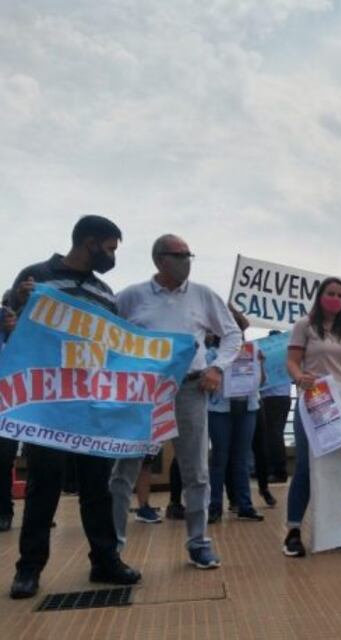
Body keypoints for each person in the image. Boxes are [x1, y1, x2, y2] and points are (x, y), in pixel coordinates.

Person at [7, 215, 141, 599]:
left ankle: (104, 561)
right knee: (43, 483)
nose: (113, 256)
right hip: (47, 403)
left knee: (96, 486)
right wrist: (17, 303)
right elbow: (9, 329)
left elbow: (114, 346)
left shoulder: (104, 293)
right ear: (89, 242)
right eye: (110, 248)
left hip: (90, 404)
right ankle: (29, 569)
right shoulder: (35, 277)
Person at [108, 233, 241, 571]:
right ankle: (112, 549)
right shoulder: (131, 297)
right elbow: (106, 332)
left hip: (190, 389)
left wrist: (216, 368)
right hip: (143, 392)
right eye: (179, 255)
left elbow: (233, 334)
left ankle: (198, 543)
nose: (187, 261)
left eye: (189, 255)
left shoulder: (203, 295)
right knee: (124, 470)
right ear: (159, 260)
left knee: (196, 469)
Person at [283, 277, 341, 557]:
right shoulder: (305, 325)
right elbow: (292, 360)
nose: (335, 299)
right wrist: (298, 376)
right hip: (316, 400)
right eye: (331, 293)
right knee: (305, 465)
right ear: (320, 295)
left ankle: (334, 528)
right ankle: (293, 531)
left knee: (337, 467)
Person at [205, 324, 265, 524]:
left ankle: (244, 506)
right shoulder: (212, 354)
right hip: (220, 409)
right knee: (219, 459)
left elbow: (262, 382)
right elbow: (207, 384)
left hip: (247, 407)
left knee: (242, 457)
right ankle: (214, 506)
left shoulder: (251, 351)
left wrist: (259, 365)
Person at [259, 330, 292, 485]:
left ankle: (278, 470)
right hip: (283, 397)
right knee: (273, 434)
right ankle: (275, 469)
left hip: (272, 397)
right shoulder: (286, 356)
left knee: (273, 435)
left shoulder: (269, 356)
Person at [0, 294, 18, 533]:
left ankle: (4, 511)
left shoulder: (19, 340)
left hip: (9, 412)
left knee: (3, 462)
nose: (10, 319)